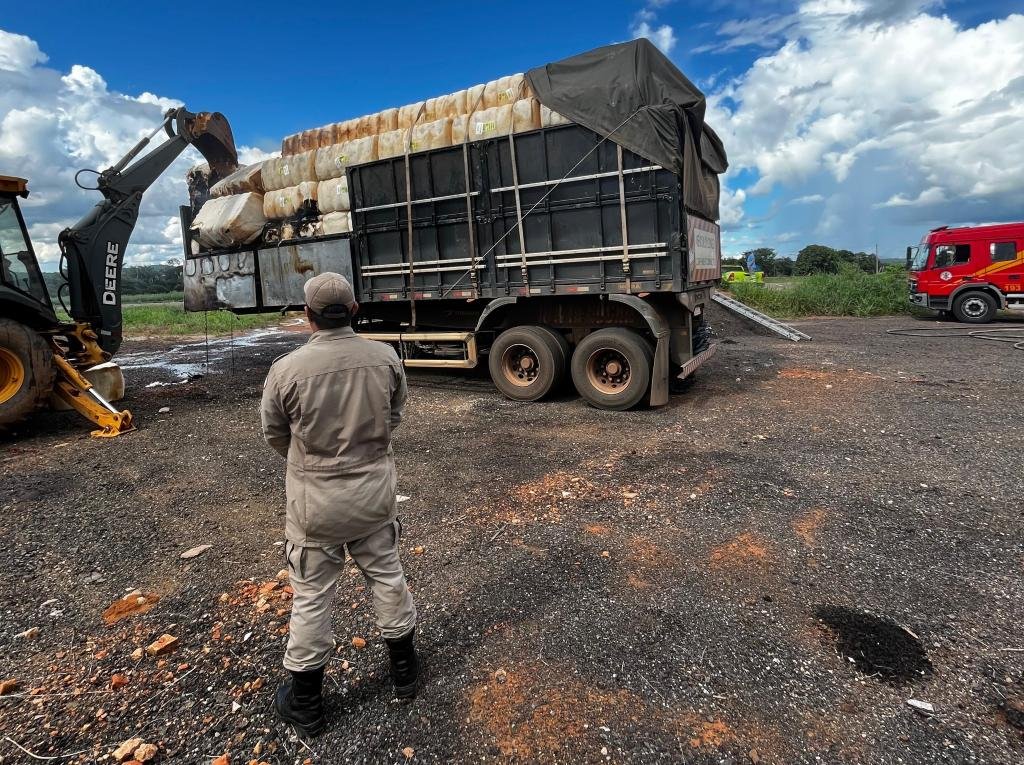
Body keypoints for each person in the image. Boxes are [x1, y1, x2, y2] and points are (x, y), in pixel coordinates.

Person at [260, 272, 416, 737]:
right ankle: (405, 674)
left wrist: (313, 458)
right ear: (353, 310)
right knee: (388, 576)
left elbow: (275, 434)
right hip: (374, 498)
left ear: (307, 316)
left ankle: (306, 702)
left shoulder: (286, 370)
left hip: (315, 508)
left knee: (311, 597)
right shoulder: (384, 357)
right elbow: (394, 415)